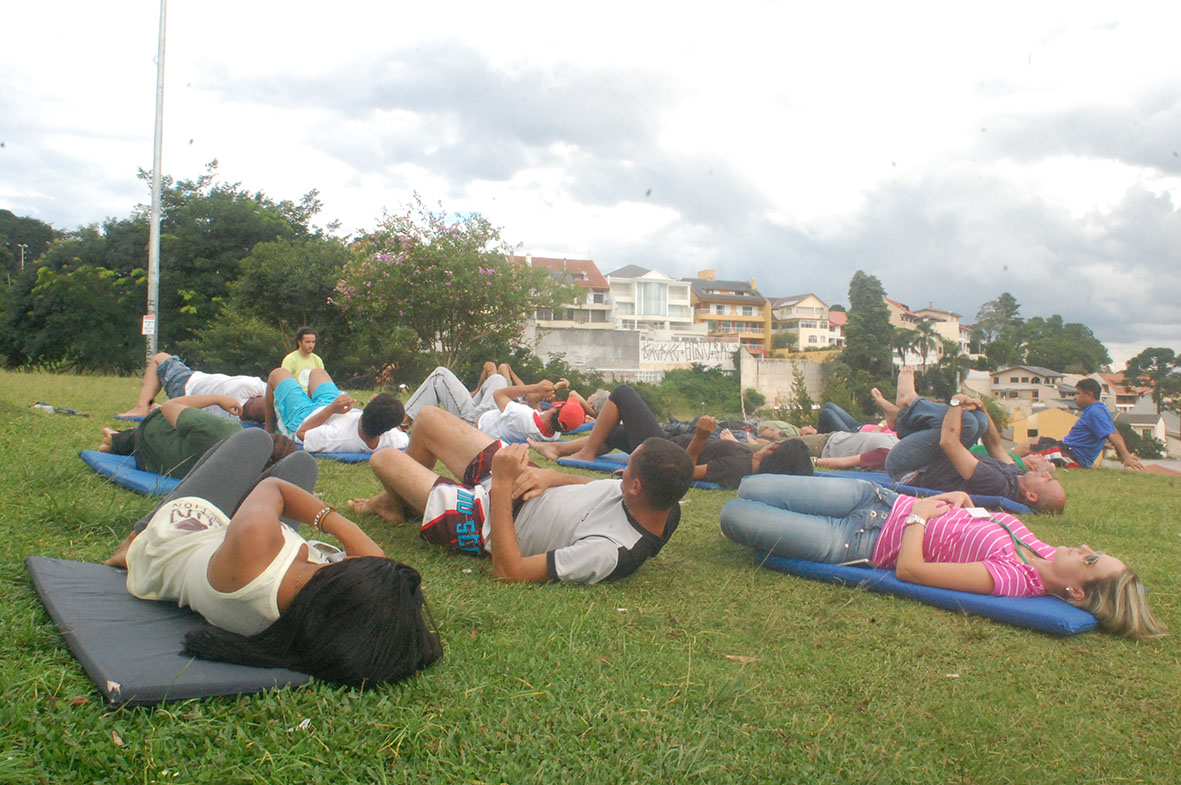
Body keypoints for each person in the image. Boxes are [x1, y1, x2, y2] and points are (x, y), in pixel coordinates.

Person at [104, 428, 442, 686]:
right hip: (233, 543)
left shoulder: (255, 549)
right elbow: (376, 564)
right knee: (301, 464)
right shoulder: (307, 615)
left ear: (342, 589)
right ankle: (249, 505)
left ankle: (132, 543)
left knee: (253, 441)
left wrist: (334, 522)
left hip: (183, 534)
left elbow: (274, 490)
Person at [721, 474, 1167, 640]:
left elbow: (911, 571)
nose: (1085, 550)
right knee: (751, 485)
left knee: (733, 514)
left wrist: (917, 517)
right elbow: (983, 519)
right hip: (875, 496)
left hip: (856, 539)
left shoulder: (1013, 579)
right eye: (1097, 551)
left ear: (1074, 590)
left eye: (1091, 561)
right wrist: (961, 498)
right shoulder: (1046, 550)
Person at [347, 404, 693, 584]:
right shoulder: (664, 504)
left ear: (636, 488)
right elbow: (595, 486)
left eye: (628, 467)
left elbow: (509, 571)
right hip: (524, 484)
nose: (621, 469)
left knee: (385, 459)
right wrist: (551, 478)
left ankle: (397, 501)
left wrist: (500, 485)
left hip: (490, 520)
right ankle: (395, 504)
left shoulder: (608, 552)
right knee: (427, 420)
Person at [528, 385, 812, 489]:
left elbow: (683, 473)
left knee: (623, 394)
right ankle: (557, 449)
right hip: (666, 443)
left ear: (775, 453)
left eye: (777, 445)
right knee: (616, 432)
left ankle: (585, 454)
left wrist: (700, 437)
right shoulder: (748, 459)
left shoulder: (738, 467)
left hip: (663, 450)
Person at [883, 368, 1065, 513]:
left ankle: (911, 402)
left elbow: (949, 443)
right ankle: (903, 417)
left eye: (1048, 481)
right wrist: (981, 406)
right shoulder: (1015, 476)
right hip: (926, 461)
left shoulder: (995, 483)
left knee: (968, 422)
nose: (1047, 474)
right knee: (979, 420)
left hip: (907, 469)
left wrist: (956, 402)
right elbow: (995, 445)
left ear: (1031, 496)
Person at [101, 394, 298, 478]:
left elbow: (171, 407)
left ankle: (116, 440)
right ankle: (116, 441)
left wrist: (216, 398)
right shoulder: (245, 479)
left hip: (152, 437)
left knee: (162, 409)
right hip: (153, 464)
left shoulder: (225, 431)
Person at [264, 367, 407, 453]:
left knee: (277, 374)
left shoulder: (337, 437)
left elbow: (301, 433)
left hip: (304, 416)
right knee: (318, 372)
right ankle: (311, 398)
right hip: (333, 407)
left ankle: (268, 432)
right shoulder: (393, 438)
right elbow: (400, 431)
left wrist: (331, 409)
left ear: (367, 411)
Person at [1016, 378, 1144, 471]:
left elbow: (1113, 434)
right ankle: (1002, 461)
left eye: (1078, 394)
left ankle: (1002, 465)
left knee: (1028, 450)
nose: (1075, 397)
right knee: (1037, 440)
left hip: (1074, 457)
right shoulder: (1095, 409)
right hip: (1065, 447)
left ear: (1090, 395)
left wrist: (1126, 457)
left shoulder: (1096, 412)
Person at [116, 352, 266, 423]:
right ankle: (150, 407)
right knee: (160, 360)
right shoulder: (251, 389)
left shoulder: (253, 386)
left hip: (187, 387)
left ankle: (143, 407)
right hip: (192, 388)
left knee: (159, 358)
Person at [404, 363, 570, 424]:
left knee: (440, 374)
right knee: (498, 378)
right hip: (483, 411)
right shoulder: (540, 417)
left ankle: (402, 423)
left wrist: (548, 389)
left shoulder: (537, 413)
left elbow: (503, 394)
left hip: (474, 421)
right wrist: (556, 387)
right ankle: (473, 395)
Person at [281, 327, 325, 392]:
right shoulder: (290, 359)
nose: (311, 345)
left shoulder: (317, 360)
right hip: (296, 395)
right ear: (299, 342)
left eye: (313, 342)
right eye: (308, 342)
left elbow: (322, 382)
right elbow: (284, 383)